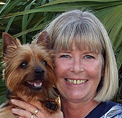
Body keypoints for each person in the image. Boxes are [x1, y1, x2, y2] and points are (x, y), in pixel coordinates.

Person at [10, 9, 122, 118]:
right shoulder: (18, 112)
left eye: (88, 56)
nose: (76, 68)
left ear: (104, 67)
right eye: (65, 55)